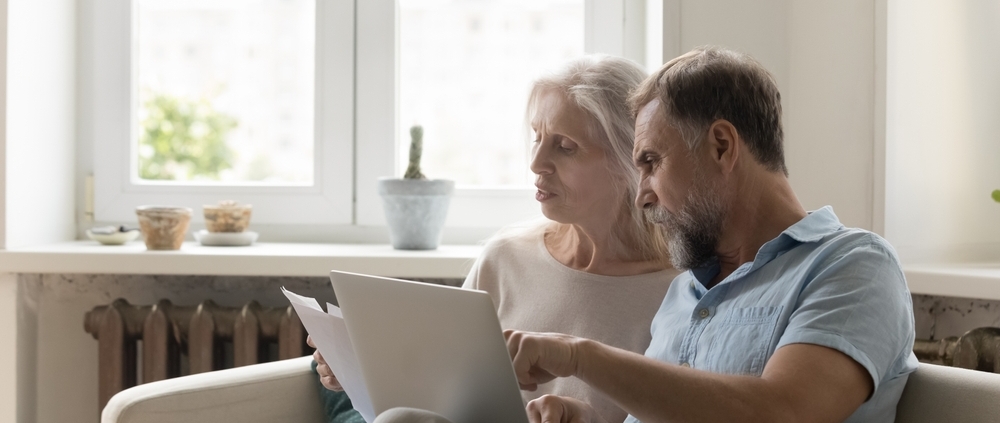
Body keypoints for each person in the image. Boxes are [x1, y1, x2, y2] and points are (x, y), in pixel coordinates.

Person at [500, 46, 919, 423]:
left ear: (721, 145)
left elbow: (783, 412)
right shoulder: (686, 291)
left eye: (651, 162)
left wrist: (579, 356)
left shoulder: (854, 266)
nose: (642, 194)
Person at [310, 55, 680, 423]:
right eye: (537, 137)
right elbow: (441, 393)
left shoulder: (678, 290)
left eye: (565, 147)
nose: (536, 162)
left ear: (630, 158)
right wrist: (354, 370)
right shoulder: (506, 259)